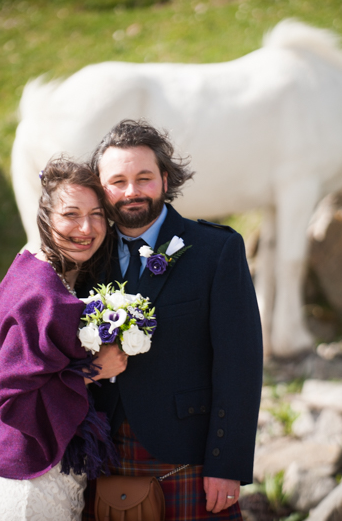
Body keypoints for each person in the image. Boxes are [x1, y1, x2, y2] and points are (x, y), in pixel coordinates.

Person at [84, 119, 264, 520]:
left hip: (192, 460)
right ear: (101, 188)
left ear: (165, 180)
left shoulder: (216, 250)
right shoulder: (88, 258)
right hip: (107, 459)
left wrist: (226, 466)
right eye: (118, 181)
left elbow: (240, 366)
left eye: (144, 178)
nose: (131, 192)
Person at [0, 156, 129, 521]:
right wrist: (94, 371)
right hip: (32, 481)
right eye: (71, 214)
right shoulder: (44, 295)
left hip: (50, 466)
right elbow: (9, 395)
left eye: (97, 214)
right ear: (46, 217)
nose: (86, 227)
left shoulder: (36, 265)